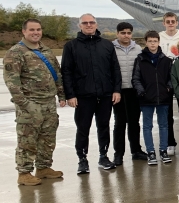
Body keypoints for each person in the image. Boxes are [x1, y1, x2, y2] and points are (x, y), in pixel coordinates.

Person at [4, 18, 66, 186]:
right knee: (27, 139)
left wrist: (61, 95)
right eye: (31, 30)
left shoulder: (46, 50)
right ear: (24, 32)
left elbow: (57, 75)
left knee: (47, 138)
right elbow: (12, 82)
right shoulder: (16, 52)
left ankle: (43, 167)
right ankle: (24, 172)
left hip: (48, 103)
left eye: (38, 29)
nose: (35, 32)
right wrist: (24, 104)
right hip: (30, 104)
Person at [61, 14, 122, 174]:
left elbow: (115, 69)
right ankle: (82, 159)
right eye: (85, 23)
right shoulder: (71, 46)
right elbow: (66, 72)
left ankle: (103, 156)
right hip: (83, 96)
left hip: (105, 95)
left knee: (104, 126)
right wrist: (70, 95)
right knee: (83, 128)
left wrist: (116, 90)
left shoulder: (107, 45)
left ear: (96, 24)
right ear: (79, 25)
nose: (89, 25)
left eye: (92, 22)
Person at [132, 30, 174, 165]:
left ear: (158, 42)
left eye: (155, 41)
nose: (152, 44)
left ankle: (163, 151)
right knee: (147, 126)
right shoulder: (140, 59)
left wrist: (168, 88)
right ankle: (150, 152)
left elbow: (171, 78)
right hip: (146, 98)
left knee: (164, 125)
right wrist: (141, 91)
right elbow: (135, 78)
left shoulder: (166, 60)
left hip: (163, 97)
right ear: (146, 42)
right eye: (150, 41)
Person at [112, 22, 147, 165]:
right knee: (120, 123)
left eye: (128, 33)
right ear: (117, 34)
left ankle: (136, 150)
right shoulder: (111, 48)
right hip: (118, 91)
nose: (126, 35)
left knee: (134, 122)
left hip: (133, 90)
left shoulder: (137, 48)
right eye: (123, 33)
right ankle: (118, 153)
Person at [159, 12, 179, 155]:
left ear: (177, 22)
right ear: (164, 23)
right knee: (167, 114)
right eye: (167, 21)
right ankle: (170, 143)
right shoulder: (159, 37)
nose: (170, 24)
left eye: (173, 21)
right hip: (164, 80)